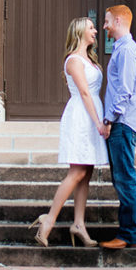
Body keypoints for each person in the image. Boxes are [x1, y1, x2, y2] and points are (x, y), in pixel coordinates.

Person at [30, 16, 109, 247]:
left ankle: (79, 224)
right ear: (79, 32)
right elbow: (84, 93)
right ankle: (48, 219)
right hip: (81, 117)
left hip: (92, 113)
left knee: (87, 171)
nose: (95, 31)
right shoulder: (74, 61)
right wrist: (98, 123)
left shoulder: (91, 60)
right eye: (91, 27)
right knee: (76, 171)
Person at [99, 4, 136, 249]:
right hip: (124, 123)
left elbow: (124, 91)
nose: (104, 26)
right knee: (122, 178)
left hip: (123, 124)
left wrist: (108, 119)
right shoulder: (124, 49)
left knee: (125, 179)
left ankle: (129, 234)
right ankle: (129, 233)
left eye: (107, 21)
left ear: (117, 21)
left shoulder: (127, 51)